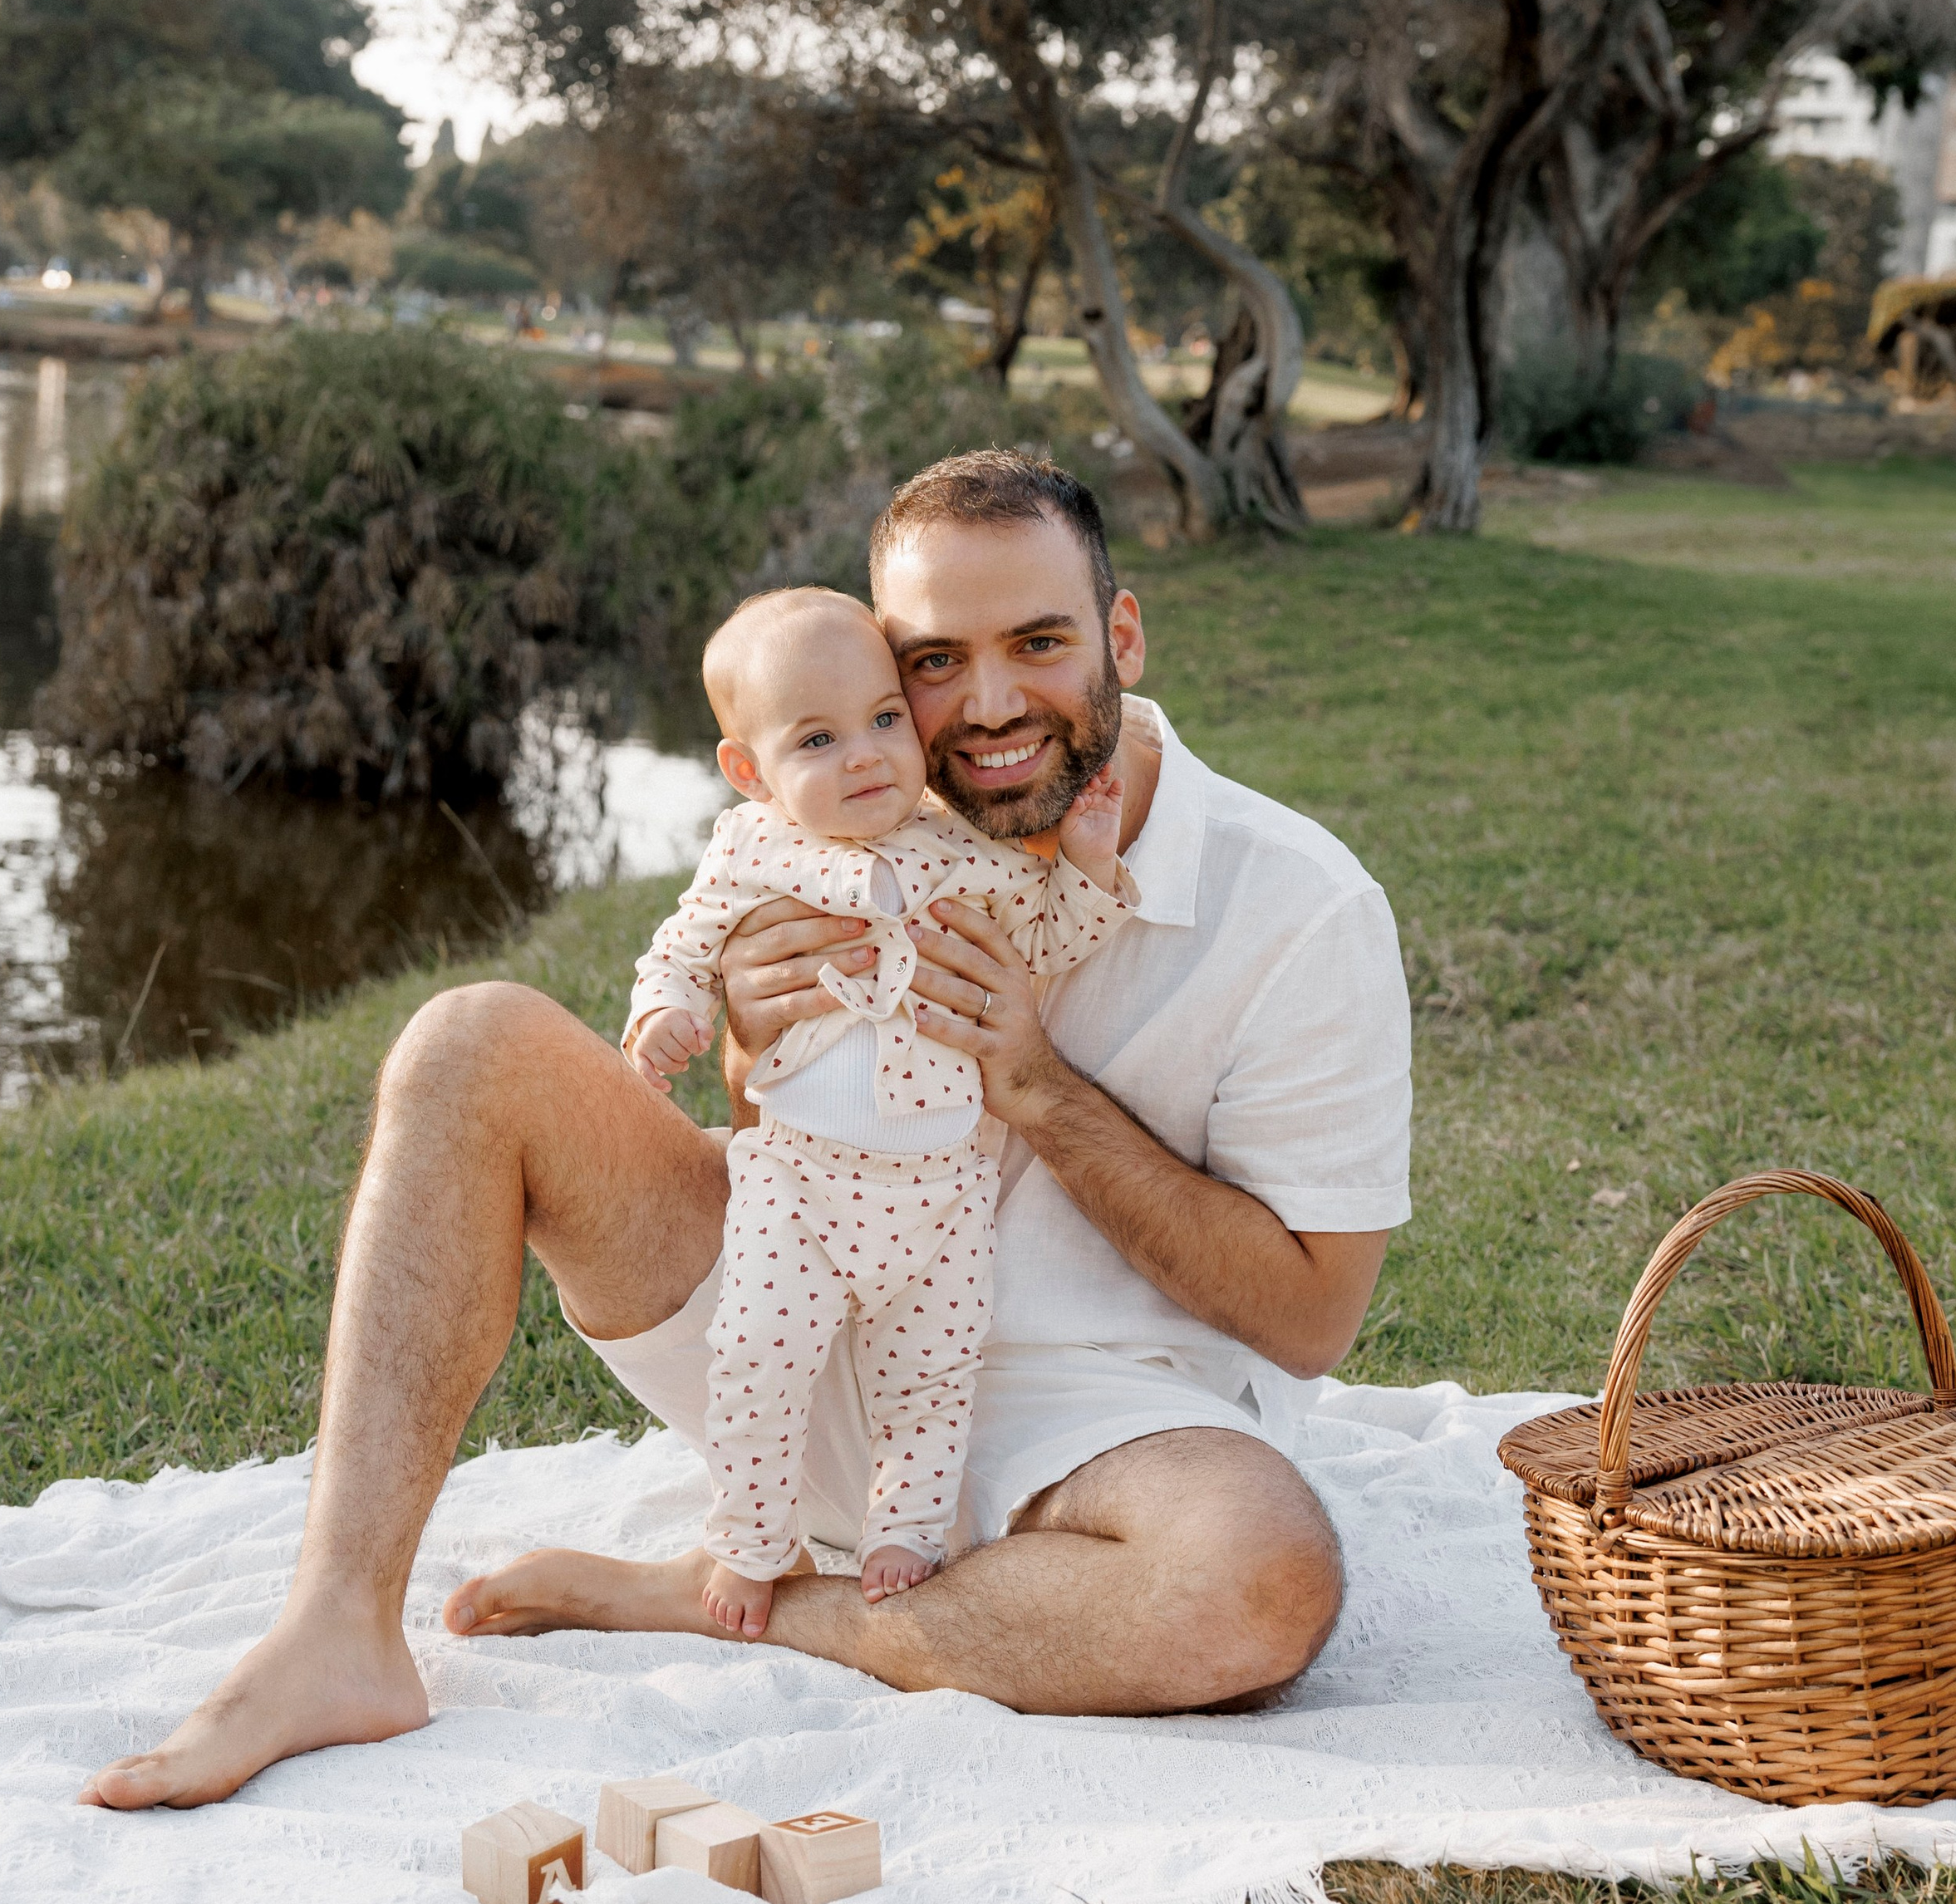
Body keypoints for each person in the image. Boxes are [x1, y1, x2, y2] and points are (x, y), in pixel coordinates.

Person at [84, 450, 1411, 1811]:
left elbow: (1310, 1320)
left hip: (1093, 1432)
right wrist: (745, 1047)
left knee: (1261, 1579)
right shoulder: (854, 802)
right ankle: (337, 1635)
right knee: (469, 1042)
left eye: (1041, 643)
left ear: (1121, 636)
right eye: (935, 663)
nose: (991, 707)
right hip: (797, 1317)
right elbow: (775, 1120)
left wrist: (1041, 1090)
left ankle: (759, 1606)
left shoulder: (1303, 907)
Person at [627, 582, 1136, 1632]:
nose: (865, 756)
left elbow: (1049, 943)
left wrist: (1085, 864)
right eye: (817, 738)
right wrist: (666, 1011)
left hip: (942, 1188)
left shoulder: (967, 847)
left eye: (886, 720)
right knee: (757, 1357)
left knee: (934, 1372)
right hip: (800, 1179)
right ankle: (754, 1534)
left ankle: (906, 1524)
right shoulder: (749, 850)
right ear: (748, 771)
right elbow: (683, 945)